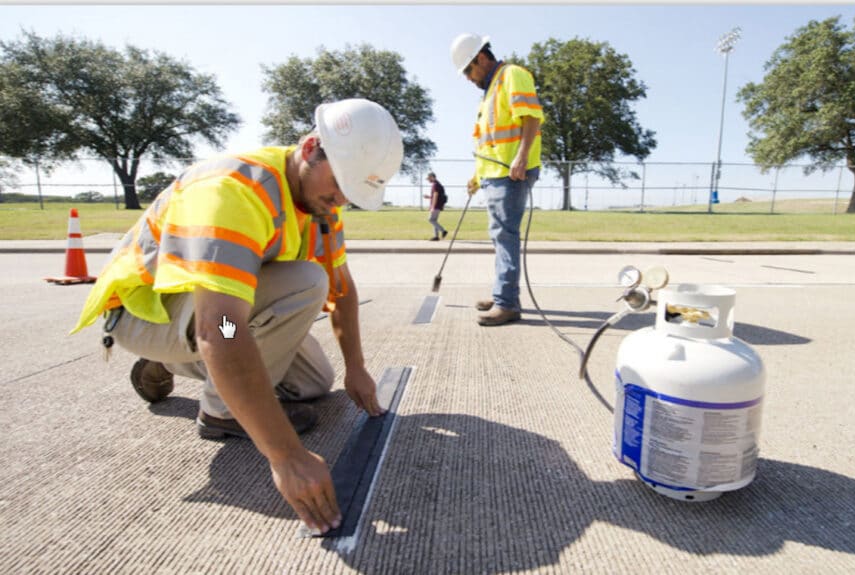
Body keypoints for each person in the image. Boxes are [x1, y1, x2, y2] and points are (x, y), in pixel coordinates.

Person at [70, 98, 404, 535]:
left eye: (352, 193)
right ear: (309, 148)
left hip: (221, 311)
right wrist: (285, 456)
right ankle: (219, 412)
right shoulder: (234, 189)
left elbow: (342, 287)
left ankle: (172, 363)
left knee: (311, 383)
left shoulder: (322, 204)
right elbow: (220, 329)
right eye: (339, 182)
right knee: (300, 285)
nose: (340, 198)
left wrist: (356, 368)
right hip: (150, 310)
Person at [450, 33, 545, 326]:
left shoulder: (511, 75)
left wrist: (521, 157)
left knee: (505, 237)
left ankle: (507, 304)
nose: (467, 78)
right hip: (493, 174)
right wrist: (476, 177)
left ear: (481, 58)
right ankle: (502, 293)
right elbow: (489, 142)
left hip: (511, 173)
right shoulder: (490, 91)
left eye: (468, 70)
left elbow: (531, 117)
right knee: (500, 237)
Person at [423, 171, 448, 241]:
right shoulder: (439, 184)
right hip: (439, 205)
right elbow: (437, 196)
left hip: (436, 206)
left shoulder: (435, 185)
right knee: (434, 220)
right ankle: (436, 236)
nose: (428, 180)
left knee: (430, 220)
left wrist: (432, 207)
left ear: (432, 177)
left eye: (429, 178)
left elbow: (436, 196)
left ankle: (443, 231)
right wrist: (429, 197)